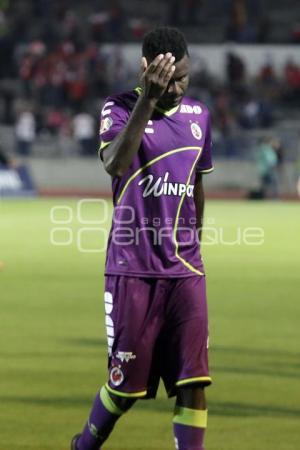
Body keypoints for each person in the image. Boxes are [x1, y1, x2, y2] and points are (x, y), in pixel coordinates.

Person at [71, 27, 214, 450]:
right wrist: (148, 102)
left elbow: (197, 185)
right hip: (132, 270)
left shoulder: (199, 116)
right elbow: (115, 163)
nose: (177, 86)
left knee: (194, 381)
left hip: (185, 271)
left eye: (183, 77)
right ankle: (83, 446)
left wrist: (195, 245)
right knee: (123, 388)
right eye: (168, 78)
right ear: (145, 68)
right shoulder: (119, 107)